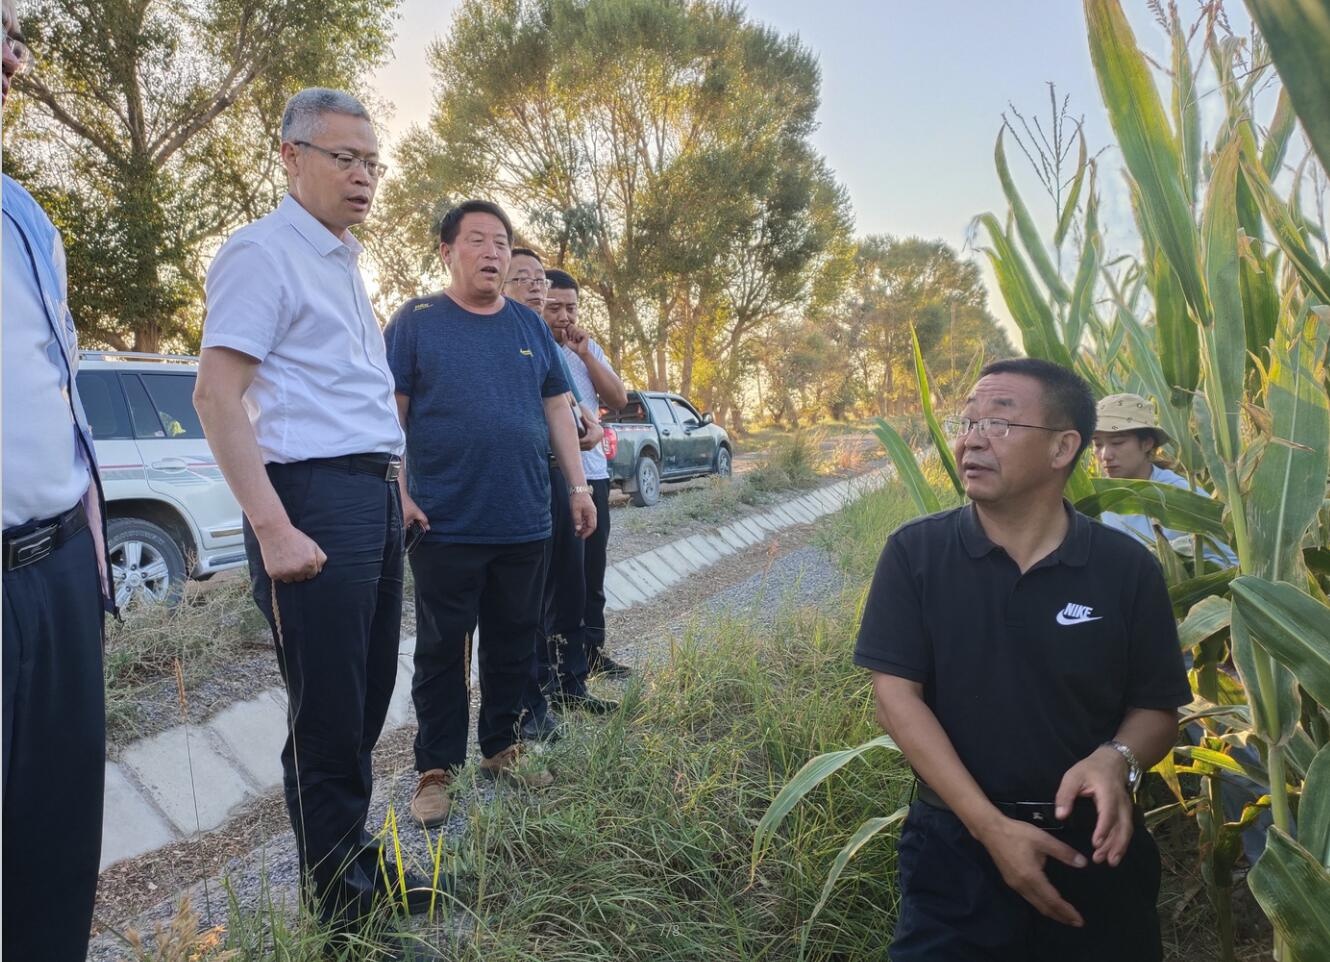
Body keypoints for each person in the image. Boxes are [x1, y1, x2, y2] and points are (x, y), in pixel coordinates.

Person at [194, 88, 437, 940]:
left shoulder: (340, 260)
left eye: (373, 162)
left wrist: (393, 489)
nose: (364, 176)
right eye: (345, 158)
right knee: (329, 715)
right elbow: (216, 396)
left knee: (364, 702)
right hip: (309, 502)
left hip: (368, 498)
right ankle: (343, 919)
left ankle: (358, 868)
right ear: (291, 156)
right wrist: (272, 527)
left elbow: (350, 399)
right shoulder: (263, 254)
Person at [855, 358, 1190, 961]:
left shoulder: (1125, 569)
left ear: (1063, 447)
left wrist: (1117, 759)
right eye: (968, 422)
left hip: (1094, 848)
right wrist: (990, 828)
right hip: (954, 851)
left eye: (1001, 423)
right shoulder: (916, 554)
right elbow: (895, 698)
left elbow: (1157, 709)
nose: (972, 439)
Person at [383, 202, 596, 829]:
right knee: (443, 651)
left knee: (514, 642)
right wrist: (400, 493)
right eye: (476, 240)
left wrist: (578, 487)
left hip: (525, 517)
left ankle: (502, 746)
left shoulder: (528, 326)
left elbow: (557, 409)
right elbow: (390, 416)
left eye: (501, 242)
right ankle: (436, 769)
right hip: (443, 522)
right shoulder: (417, 321)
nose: (492, 252)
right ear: (447, 252)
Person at [2, 3, 113, 957]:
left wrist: (90, 538)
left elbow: (56, 388)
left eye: (14, 35)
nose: (14, 57)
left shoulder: (25, 217)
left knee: (55, 840)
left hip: (58, 571)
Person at [503, 253, 617, 743]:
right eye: (524, 280)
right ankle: (531, 699)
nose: (537, 288)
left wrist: (584, 430)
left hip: (561, 476)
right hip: (519, 480)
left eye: (539, 280)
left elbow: (570, 404)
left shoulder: (549, 345)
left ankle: (571, 683)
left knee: (573, 585)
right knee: (529, 596)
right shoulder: (500, 334)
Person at [544, 268, 632, 680]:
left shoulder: (586, 347)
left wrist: (586, 355)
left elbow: (618, 398)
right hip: (556, 475)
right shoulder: (533, 344)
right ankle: (559, 665)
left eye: (571, 308)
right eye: (554, 307)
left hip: (592, 474)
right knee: (560, 579)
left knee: (592, 572)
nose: (564, 316)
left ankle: (593, 653)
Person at [1093, 392, 1236, 566]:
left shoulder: (1182, 496)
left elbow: (1231, 562)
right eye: (1097, 444)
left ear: (1147, 443)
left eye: (1117, 442)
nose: (1105, 455)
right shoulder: (1095, 499)